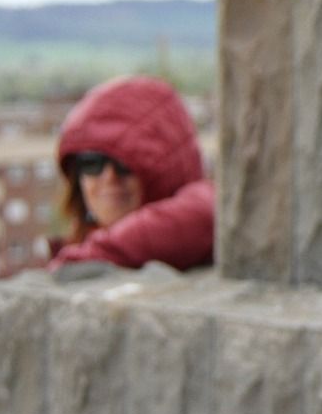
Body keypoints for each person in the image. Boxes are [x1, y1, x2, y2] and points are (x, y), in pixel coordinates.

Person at [49, 74, 214, 270]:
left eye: (124, 163)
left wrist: (92, 255)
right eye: (91, 163)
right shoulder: (80, 242)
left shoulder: (197, 212)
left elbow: (204, 212)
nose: (109, 177)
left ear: (163, 170)